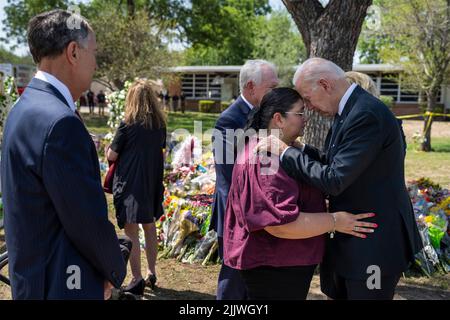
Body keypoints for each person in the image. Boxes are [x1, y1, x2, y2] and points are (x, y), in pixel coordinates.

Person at [257, 58, 423, 300]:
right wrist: (302, 149)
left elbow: (335, 179)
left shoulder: (365, 114)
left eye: (308, 97)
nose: (309, 107)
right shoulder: (349, 111)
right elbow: (336, 162)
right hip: (354, 240)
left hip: (373, 245)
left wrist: (285, 152)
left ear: (324, 84)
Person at [1, 9, 127, 300]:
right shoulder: (61, 122)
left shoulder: (23, 108)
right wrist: (112, 269)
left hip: (33, 279)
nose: (95, 63)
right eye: (93, 52)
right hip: (63, 283)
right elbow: (84, 219)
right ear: (73, 52)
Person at [224, 87, 377, 300]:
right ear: (279, 119)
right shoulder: (267, 160)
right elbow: (281, 225)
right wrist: (335, 221)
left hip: (280, 263)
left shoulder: (274, 149)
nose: (306, 119)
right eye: (300, 113)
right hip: (275, 266)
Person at [210, 59, 279, 300]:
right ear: (251, 87)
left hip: (259, 215)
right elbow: (228, 180)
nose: (277, 92)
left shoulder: (268, 117)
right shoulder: (228, 121)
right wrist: (249, 217)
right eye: (272, 87)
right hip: (238, 218)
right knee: (233, 285)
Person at [106, 79, 167, 296]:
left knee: (131, 231)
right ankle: (151, 272)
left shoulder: (127, 125)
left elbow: (112, 155)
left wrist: (106, 149)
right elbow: (162, 152)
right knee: (150, 228)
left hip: (131, 183)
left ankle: (137, 277)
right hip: (151, 182)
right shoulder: (160, 126)